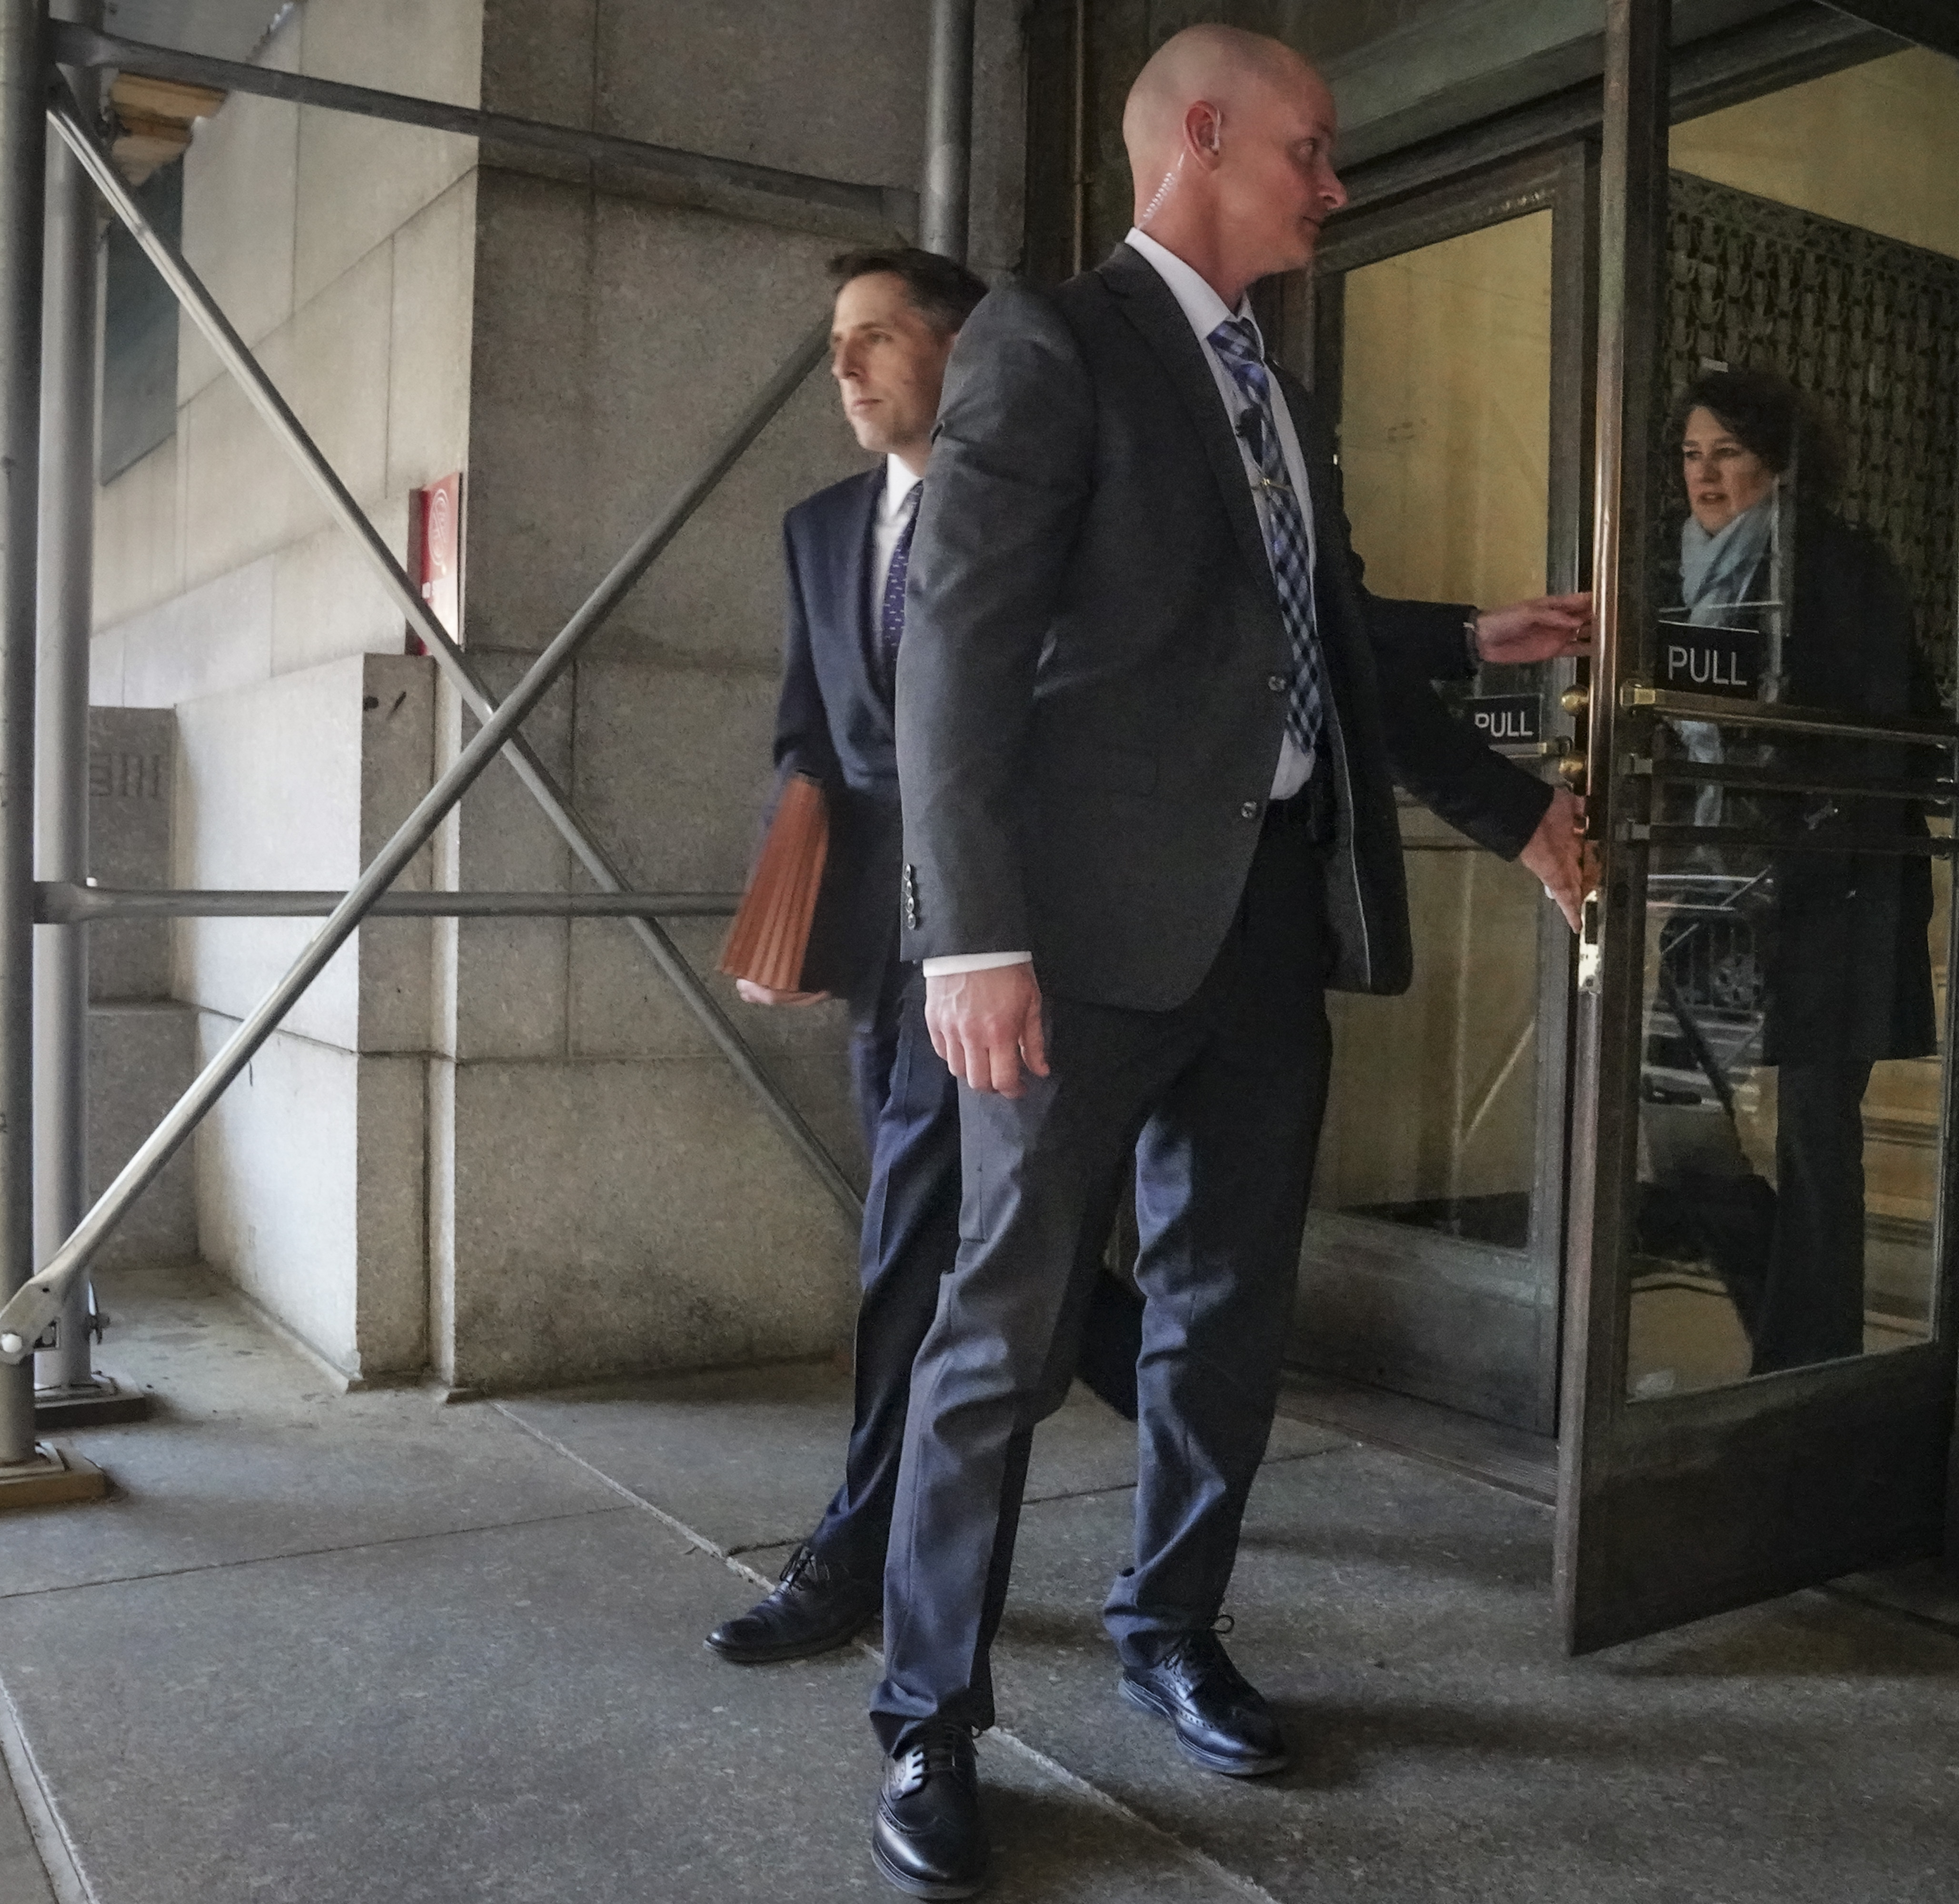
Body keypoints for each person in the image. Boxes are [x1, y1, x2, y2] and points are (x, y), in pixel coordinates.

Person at [868, 25, 1596, 1896]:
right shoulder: (1051, 343)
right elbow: (951, 656)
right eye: (1312, 152)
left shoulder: (1276, 389)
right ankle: (929, 1712)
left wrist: (1510, 795)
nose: (1333, 186)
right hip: (1074, 942)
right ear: (1201, 136)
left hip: (1265, 921)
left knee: (1228, 1307)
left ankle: (1168, 1625)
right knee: (1006, 1323)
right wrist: (977, 935)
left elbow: (1318, 647)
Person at [704, 248, 1148, 1669]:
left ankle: (854, 1557)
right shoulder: (820, 527)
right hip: (893, 967)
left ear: (966, 352)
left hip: (1022, 940)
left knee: (921, 1252)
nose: (845, 368)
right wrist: (794, 903)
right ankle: (1186, 1398)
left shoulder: (1050, 506)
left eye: (878, 337)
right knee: (996, 1251)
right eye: (839, 342)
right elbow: (808, 736)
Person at [1643, 370, 1937, 1374]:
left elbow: (1897, 730)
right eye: (1691, 453)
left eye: (1726, 452)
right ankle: (1796, 1318)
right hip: (1726, 884)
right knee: (1670, 1111)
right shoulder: (1687, 571)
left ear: (1776, 458)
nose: (1706, 474)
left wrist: (1802, 827)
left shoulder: (1839, 564)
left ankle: (1805, 1361)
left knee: (1818, 1135)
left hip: (1828, 889)